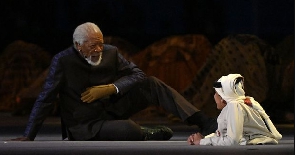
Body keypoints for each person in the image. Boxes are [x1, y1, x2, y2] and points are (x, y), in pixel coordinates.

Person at [11, 22, 217, 141]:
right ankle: (145, 133)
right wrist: (29, 135)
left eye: (100, 44)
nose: (98, 50)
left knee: (152, 83)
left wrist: (111, 88)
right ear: (78, 45)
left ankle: (204, 122)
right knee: (129, 130)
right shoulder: (62, 61)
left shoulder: (111, 53)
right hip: (86, 124)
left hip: (111, 108)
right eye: (92, 46)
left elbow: (139, 75)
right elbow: (45, 98)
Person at [187, 74, 282, 146]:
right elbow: (225, 134)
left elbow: (232, 140)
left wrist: (202, 142)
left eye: (216, 93)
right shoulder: (242, 102)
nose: (214, 96)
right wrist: (203, 138)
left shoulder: (234, 106)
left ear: (223, 97)